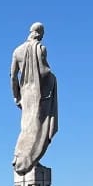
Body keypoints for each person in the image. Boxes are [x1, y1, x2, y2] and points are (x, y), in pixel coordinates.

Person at [10, 22, 58, 174]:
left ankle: (21, 157)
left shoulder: (17, 51)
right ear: (39, 33)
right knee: (37, 127)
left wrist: (16, 95)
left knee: (26, 126)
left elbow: (13, 76)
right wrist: (53, 80)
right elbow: (44, 72)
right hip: (39, 94)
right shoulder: (41, 49)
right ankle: (28, 159)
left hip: (25, 93)